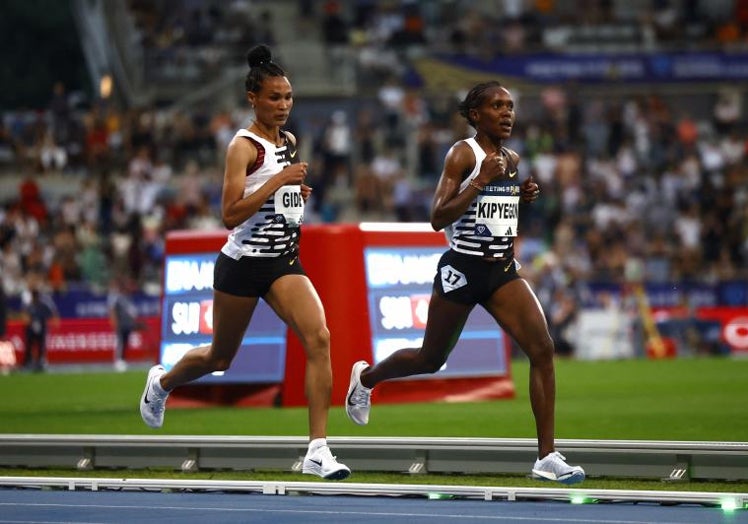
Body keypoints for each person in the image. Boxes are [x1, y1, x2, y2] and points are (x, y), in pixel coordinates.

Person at [345, 81, 585, 485]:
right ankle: (366, 378)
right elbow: (438, 216)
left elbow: (494, 212)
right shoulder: (463, 153)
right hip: (462, 268)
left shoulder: (511, 158)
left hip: (501, 270)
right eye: (497, 106)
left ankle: (547, 456)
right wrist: (479, 181)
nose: (507, 113)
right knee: (431, 359)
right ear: (476, 115)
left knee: (542, 349)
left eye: (510, 106)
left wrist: (518, 195)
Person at [139, 44, 350, 481]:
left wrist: (294, 196)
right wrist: (278, 183)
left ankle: (317, 449)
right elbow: (231, 213)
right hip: (241, 263)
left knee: (320, 338)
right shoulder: (243, 146)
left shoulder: (289, 142)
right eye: (275, 97)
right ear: (253, 97)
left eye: (288, 97)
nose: (284, 106)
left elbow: (278, 196)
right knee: (220, 358)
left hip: (283, 261)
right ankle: (161, 384)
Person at [21, 287, 60, 372]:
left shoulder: (42, 306)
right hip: (31, 330)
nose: (34, 298)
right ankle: (28, 361)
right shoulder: (30, 306)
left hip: (41, 329)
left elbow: (52, 314)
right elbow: (25, 317)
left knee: (41, 346)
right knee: (29, 345)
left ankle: (41, 361)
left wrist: (54, 321)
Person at [108, 277, 140, 372]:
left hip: (127, 324)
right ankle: (118, 360)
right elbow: (113, 310)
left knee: (125, 342)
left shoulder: (127, 298)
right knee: (121, 342)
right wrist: (114, 321)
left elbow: (130, 312)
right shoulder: (117, 298)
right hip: (121, 323)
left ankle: (122, 359)